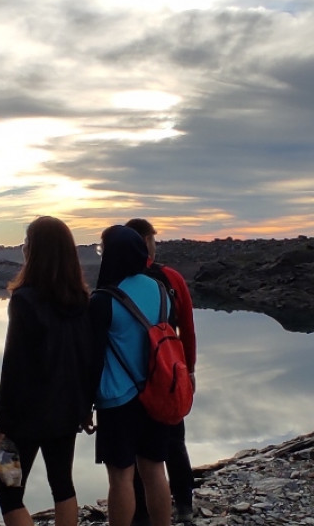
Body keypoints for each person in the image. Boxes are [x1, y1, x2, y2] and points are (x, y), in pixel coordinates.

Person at [0, 216, 93, 526]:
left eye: (27, 242)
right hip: (66, 412)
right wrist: (84, 407)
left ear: (35, 251)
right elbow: (86, 359)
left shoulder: (23, 300)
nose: (23, 247)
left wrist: (1, 423)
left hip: (22, 419)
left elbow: (14, 367)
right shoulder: (82, 300)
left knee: (7, 492)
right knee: (62, 485)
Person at [89, 225, 173, 526]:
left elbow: (93, 359)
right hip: (158, 393)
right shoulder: (161, 290)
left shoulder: (103, 300)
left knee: (121, 477)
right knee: (154, 469)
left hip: (117, 400)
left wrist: (84, 405)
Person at [125, 218, 197, 525]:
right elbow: (188, 330)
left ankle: (141, 513)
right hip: (169, 373)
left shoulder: (121, 279)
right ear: (145, 240)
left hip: (134, 380)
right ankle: (183, 507)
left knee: (139, 450)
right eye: (153, 239)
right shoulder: (171, 278)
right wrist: (189, 370)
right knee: (174, 441)